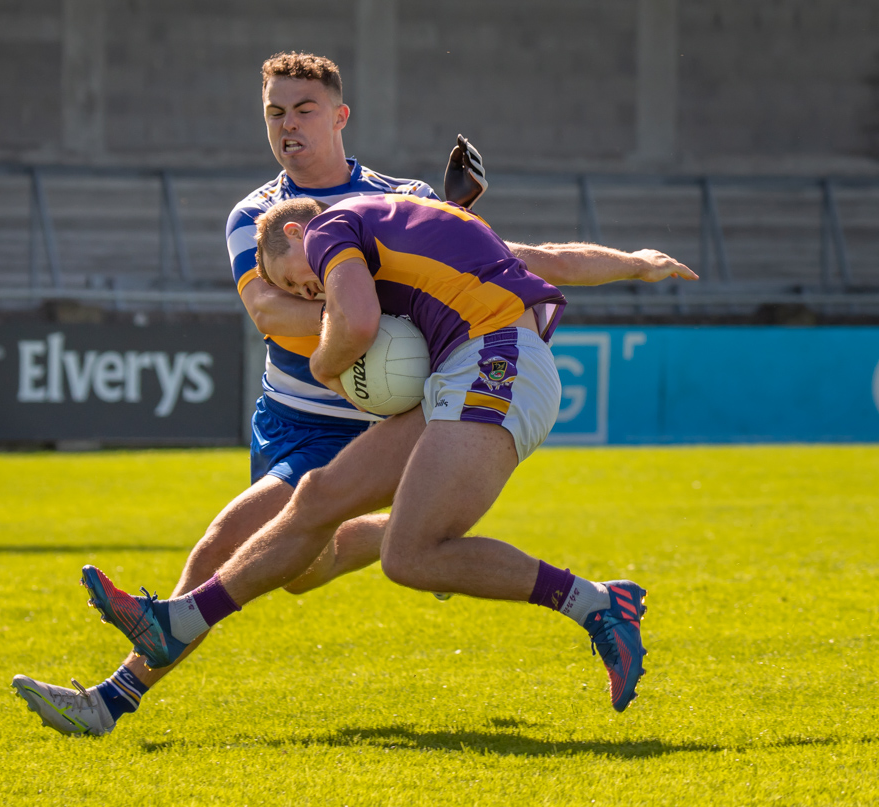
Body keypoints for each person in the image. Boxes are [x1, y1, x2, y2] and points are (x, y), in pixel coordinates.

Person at [12, 51, 695, 737]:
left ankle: (117, 692)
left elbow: (498, 262)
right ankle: (433, 537)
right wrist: (360, 324)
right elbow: (277, 318)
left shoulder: (386, 203)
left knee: (249, 537)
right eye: (274, 112)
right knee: (313, 554)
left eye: (302, 110)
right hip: (309, 419)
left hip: (448, 380)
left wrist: (630, 264)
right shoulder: (257, 214)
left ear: (339, 116)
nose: (287, 125)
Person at [77, 192, 668, 724]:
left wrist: (323, 366)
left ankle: (597, 602)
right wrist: (638, 262)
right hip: (470, 368)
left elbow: (355, 323)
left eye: (300, 280)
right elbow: (549, 260)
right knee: (318, 498)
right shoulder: (409, 226)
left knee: (410, 557)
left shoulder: (332, 227)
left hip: (496, 362)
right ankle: (177, 623)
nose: (310, 294)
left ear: (294, 235)